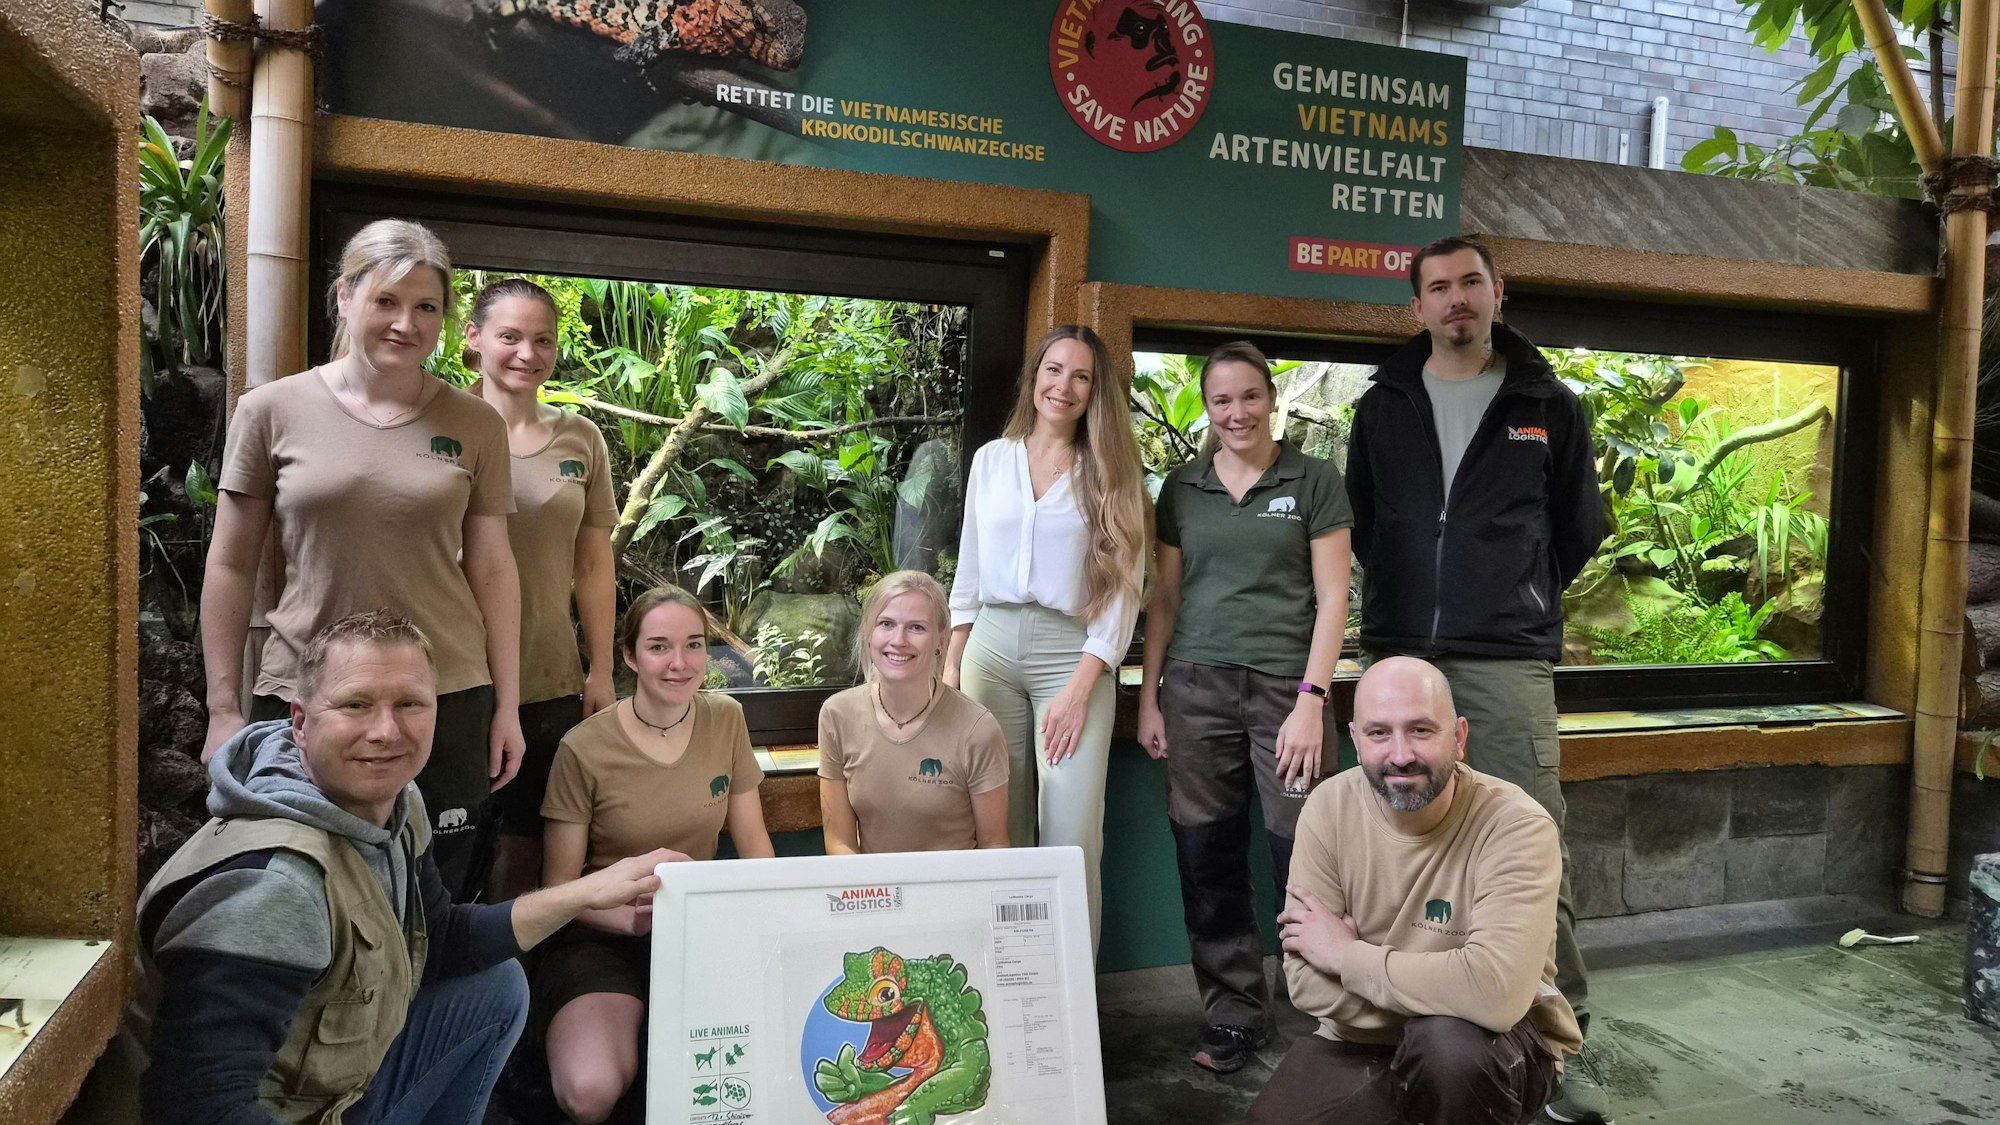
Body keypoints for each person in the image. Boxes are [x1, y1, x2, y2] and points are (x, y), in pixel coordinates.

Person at [132, 611, 676, 1125]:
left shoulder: (396, 803)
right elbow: (199, 1106)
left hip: (340, 1082)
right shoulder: (274, 888)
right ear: (299, 721)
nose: (386, 732)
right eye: (355, 705)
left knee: (496, 985)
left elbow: (439, 941)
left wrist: (585, 892)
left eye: (411, 704)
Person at [1344, 234, 1609, 1123]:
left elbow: (1576, 528)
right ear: (1415, 305)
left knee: (1536, 835)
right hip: (1401, 654)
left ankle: (1553, 1035)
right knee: (1399, 837)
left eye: (1470, 284)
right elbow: (1371, 524)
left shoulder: (1548, 404)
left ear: (1499, 293)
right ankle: (1403, 1012)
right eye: (1437, 287)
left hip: (1505, 660)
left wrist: (1509, 590)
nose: (1454, 300)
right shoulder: (1383, 404)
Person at [200, 219, 524, 900]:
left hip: (445, 693)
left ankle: (438, 1012)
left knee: (437, 894)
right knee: (293, 888)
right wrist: (223, 705)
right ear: (345, 297)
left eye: (427, 306)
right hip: (304, 691)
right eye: (386, 300)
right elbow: (230, 563)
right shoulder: (271, 411)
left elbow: (493, 568)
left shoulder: (476, 424)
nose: (405, 323)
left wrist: (507, 704)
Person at [1135, 341, 1354, 1074]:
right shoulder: (1182, 488)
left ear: (1271, 399)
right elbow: (1164, 598)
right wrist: (1149, 697)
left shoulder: (1314, 478)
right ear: (1208, 407)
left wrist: (1309, 700)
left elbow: (1332, 598)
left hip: (1286, 691)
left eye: (1249, 396)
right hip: (1194, 690)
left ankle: (1329, 1009)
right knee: (1207, 851)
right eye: (1221, 400)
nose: (1237, 412)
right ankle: (1233, 1011)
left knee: (1307, 849)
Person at [1246, 657, 1581, 1125]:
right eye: (1379, 733)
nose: (1401, 754)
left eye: (1421, 730)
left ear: (1459, 737)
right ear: (1356, 738)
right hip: (1357, 1042)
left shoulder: (1516, 825)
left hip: (1490, 1043)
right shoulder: (1327, 808)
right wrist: (1449, 988)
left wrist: (1346, 958)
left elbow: (1496, 996)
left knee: (1446, 1051)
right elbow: (1305, 983)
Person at [535, 585, 775, 1124]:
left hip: (701, 933)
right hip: (602, 937)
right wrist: (630, 922)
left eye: (694, 645)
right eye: (660, 647)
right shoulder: (584, 748)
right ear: (629, 656)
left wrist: (770, 929)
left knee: (747, 1069)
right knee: (588, 1090)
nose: (680, 663)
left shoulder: (726, 719)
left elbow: (756, 847)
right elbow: (558, 893)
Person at [944, 324, 1150, 948]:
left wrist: (1083, 685)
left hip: (1075, 656)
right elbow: (969, 571)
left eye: (1081, 376)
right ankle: (1001, 986)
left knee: (1070, 835)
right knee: (992, 823)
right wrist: (952, 667)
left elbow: (1125, 590)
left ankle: (1070, 1011)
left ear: (1095, 392)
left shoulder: (1111, 470)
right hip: (991, 651)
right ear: (1035, 377)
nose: (1064, 386)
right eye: (1054, 370)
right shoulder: (991, 460)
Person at [467, 278, 620, 899]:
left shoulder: (580, 439)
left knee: (532, 848)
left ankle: (522, 984)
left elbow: (593, 564)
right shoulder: (437, 428)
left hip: (548, 676)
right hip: (453, 676)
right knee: (449, 845)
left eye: (543, 340)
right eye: (510, 337)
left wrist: (601, 670)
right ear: (472, 339)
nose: (527, 354)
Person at [820, 570, 1010, 854]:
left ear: (941, 640)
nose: (899, 640)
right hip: (875, 892)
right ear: (866, 632)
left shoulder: (976, 728)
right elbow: (840, 842)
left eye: (917, 628)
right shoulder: (837, 715)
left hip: (953, 892)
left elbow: (994, 845)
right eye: (886, 624)